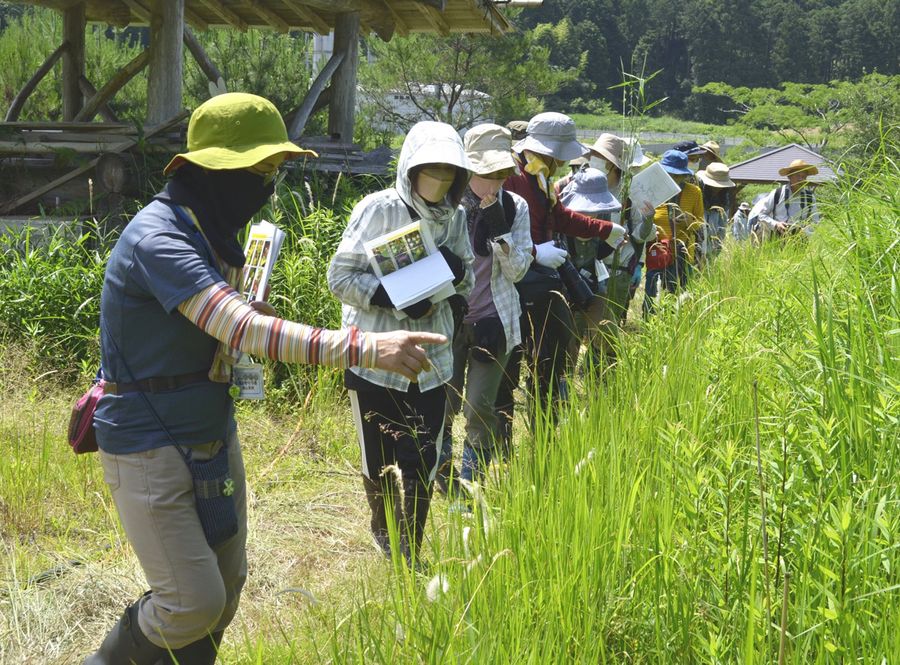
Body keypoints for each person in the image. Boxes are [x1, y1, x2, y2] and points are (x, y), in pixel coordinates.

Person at [85, 93, 443, 665]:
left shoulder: (211, 230)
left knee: (225, 587)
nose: (268, 185)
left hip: (209, 434)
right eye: (260, 171)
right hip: (149, 446)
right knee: (190, 602)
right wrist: (370, 346)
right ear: (216, 170)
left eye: (274, 170)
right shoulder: (161, 239)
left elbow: (222, 330)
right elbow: (245, 328)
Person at [328, 121, 474, 564]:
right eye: (431, 169)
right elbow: (340, 276)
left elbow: (466, 275)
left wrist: (453, 274)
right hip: (375, 355)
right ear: (410, 168)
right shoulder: (379, 209)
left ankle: (409, 548)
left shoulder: (457, 216)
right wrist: (387, 297)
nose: (440, 180)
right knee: (378, 456)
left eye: (450, 172)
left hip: (432, 358)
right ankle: (383, 526)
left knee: (422, 454)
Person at [494, 113, 622, 454]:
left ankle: (545, 442)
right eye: (559, 154)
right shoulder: (511, 178)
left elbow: (560, 217)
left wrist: (603, 229)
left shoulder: (541, 177)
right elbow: (495, 234)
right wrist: (535, 251)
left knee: (549, 365)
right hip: (513, 284)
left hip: (543, 284)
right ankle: (502, 448)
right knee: (508, 368)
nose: (564, 161)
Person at [438, 123, 532, 491]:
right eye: (486, 175)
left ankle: (470, 484)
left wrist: (501, 235)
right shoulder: (445, 205)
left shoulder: (515, 206)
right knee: (442, 404)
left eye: (501, 175)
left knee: (478, 408)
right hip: (450, 319)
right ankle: (443, 480)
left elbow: (520, 270)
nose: (494, 185)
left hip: (495, 320)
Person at [557, 167, 624, 366]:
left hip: (592, 286)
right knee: (568, 341)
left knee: (607, 335)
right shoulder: (560, 219)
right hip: (563, 289)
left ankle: (603, 382)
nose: (590, 215)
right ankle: (563, 389)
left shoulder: (604, 216)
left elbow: (598, 253)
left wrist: (613, 244)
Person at [643, 150, 705, 316]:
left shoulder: (694, 192)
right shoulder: (652, 191)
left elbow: (700, 224)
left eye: (677, 175)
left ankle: (671, 327)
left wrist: (687, 221)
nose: (673, 178)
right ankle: (648, 325)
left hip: (681, 252)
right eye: (669, 174)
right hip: (657, 249)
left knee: (676, 295)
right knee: (652, 293)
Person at [749, 159, 821, 238]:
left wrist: (805, 231)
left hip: (801, 241)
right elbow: (761, 214)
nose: (800, 179)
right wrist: (776, 224)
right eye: (798, 176)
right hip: (777, 238)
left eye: (803, 176)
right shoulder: (777, 193)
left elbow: (815, 221)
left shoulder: (810, 197)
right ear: (789, 176)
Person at [696, 162, 736, 261]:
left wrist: (715, 251)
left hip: (710, 251)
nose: (717, 188)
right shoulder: (697, 193)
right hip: (694, 247)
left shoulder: (723, 199)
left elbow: (722, 228)